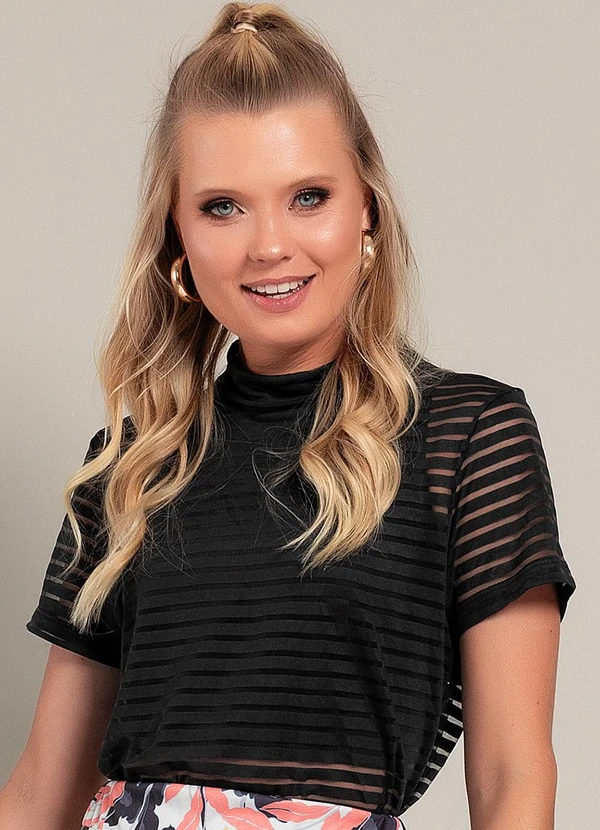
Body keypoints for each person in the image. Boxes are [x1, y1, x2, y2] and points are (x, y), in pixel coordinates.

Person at [1, 3, 576, 829]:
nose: (269, 245)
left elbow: (512, 776)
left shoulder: (471, 437)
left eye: (309, 196)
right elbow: (38, 791)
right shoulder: (130, 466)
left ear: (367, 208)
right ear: (177, 236)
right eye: (222, 207)